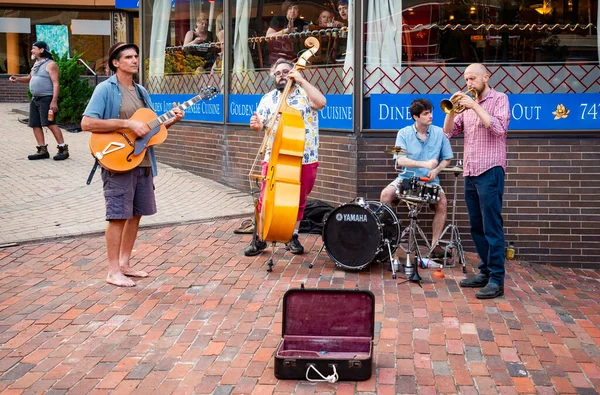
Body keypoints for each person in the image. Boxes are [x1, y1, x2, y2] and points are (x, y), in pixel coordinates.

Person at [81, 42, 184, 287]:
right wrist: (126, 124)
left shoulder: (141, 91)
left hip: (142, 160)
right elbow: (87, 123)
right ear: (115, 63)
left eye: (136, 56)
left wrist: (172, 120)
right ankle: (112, 270)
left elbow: (149, 130)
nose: (134, 60)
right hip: (117, 160)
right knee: (118, 216)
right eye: (128, 57)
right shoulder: (106, 89)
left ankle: (125, 264)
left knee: (136, 214)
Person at [244, 58, 326, 257]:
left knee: (298, 200)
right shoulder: (268, 98)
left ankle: (292, 235)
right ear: (273, 76)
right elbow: (259, 125)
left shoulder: (305, 95)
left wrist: (301, 80)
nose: (282, 75)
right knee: (265, 198)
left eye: (285, 71)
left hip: (304, 157)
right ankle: (260, 236)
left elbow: (322, 103)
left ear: (292, 73)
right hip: (273, 157)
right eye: (278, 72)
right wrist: (255, 125)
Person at [443, 63, 510, 299]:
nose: (468, 83)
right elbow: (448, 133)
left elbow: (500, 129)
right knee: (476, 226)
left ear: (486, 77)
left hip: (490, 170)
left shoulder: (499, 99)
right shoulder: (465, 105)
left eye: (472, 79)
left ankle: (497, 279)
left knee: (492, 227)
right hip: (470, 171)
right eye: (466, 79)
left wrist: (475, 106)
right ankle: (485, 271)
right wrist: (452, 111)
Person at [380, 98, 453, 258]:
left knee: (442, 202)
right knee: (385, 195)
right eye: (426, 114)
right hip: (406, 177)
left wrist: (436, 170)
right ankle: (391, 237)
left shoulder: (440, 133)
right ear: (416, 116)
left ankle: (435, 245)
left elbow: (447, 159)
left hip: (431, 180)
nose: (430, 116)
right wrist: (425, 164)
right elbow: (399, 160)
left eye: (430, 112)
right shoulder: (403, 133)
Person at [9, 41, 69, 161]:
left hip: (46, 99)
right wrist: (17, 79)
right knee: (35, 124)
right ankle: (42, 150)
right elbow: (29, 78)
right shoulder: (36, 64)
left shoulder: (51, 64)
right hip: (35, 99)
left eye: (34, 48)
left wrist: (54, 101)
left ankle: (63, 149)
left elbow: (56, 84)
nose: (32, 51)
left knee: (50, 124)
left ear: (41, 50)